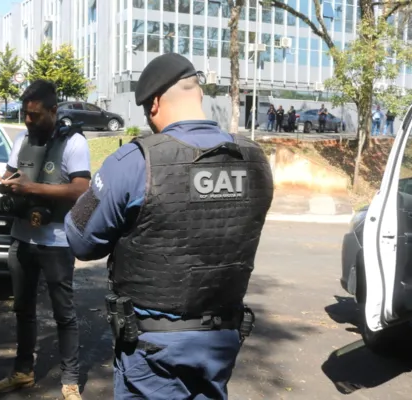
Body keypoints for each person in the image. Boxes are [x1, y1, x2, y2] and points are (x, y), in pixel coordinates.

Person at [64, 53, 274, 399]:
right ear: (199, 95)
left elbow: (82, 243)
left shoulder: (135, 162)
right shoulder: (254, 161)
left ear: (155, 103)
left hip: (154, 349)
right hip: (222, 340)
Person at [0, 79, 91, 400]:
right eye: (25, 114)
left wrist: (32, 188)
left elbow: (81, 190)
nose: (28, 120)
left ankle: (70, 380)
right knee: (23, 308)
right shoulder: (22, 140)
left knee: (64, 312)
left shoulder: (74, 143)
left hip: (57, 242)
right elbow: (11, 177)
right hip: (21, 239)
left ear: (53, 110)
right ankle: (22, 372)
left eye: (34, 114)